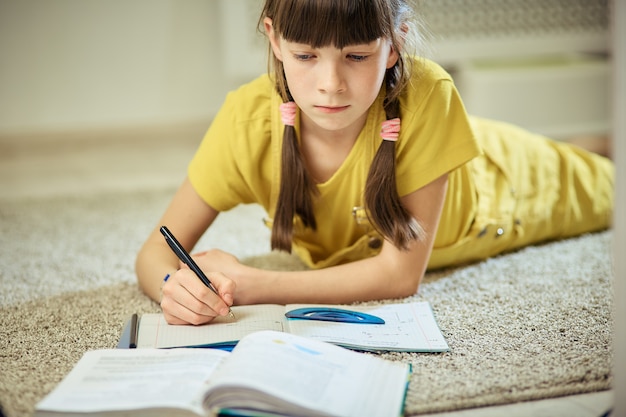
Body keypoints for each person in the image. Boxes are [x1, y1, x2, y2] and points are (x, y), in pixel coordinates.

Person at [135, 0, 614, 325]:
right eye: (305, 55)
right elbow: (154, 255)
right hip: (440, 148)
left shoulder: (429, 93)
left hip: (499, 183)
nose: (330, 84)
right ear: (274, 39)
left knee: (603, 185)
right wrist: (172, 288)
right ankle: (589, 142)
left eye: (357, 55)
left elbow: (399, 276)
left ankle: (592, 147)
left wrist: (257, 285)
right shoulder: (246, 119)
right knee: (582, 151)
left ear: (396, 41)